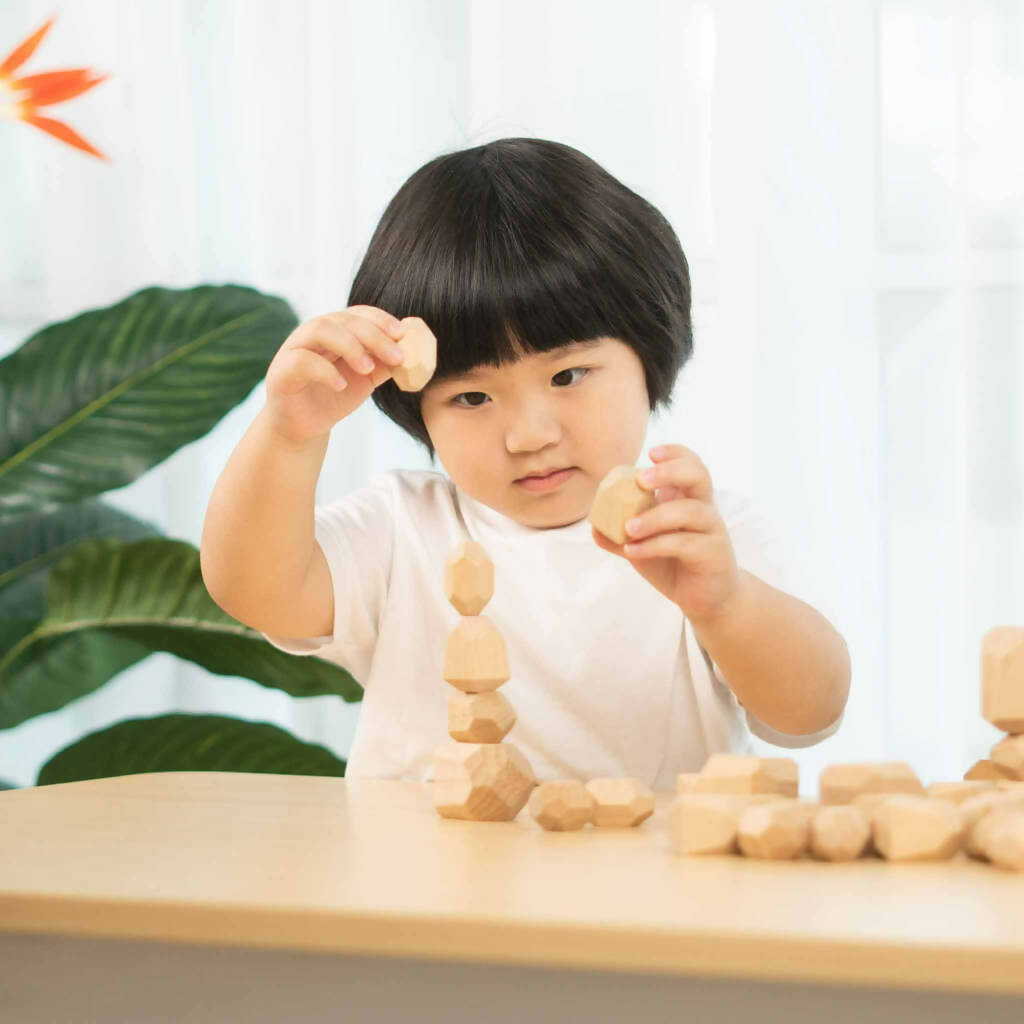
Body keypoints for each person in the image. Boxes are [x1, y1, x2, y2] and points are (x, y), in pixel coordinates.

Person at [200, 137, 850, 789]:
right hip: (421, 888)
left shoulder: (699, 540)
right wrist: (289, 435)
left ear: (649, 358)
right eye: (473, 396)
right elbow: (257, 591)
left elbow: (809, 713)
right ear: (415, 406)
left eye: (568, 375)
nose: (529, 435)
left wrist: (726, 604)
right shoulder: (403, 529)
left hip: (648, 888)